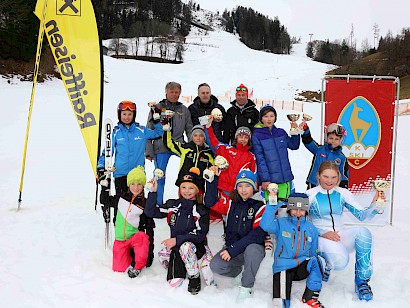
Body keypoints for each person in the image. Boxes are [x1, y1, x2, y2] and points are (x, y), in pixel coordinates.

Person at [306, 160, 385, 301]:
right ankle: (324, 264)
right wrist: (322, 232)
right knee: (341, 261)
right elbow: (302, 222)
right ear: (318, 176)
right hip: (321, 238)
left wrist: (375, 203)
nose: (329, 181)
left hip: (339, 235)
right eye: (325, 176)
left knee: (364, 233)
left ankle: (362, 282)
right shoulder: (310, 195)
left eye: (333, 177)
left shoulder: (343, 193)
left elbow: (362, 216)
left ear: (339, 177)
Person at [97, 100, 163, 267]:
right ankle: (122, 241)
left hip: (137, 178)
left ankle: (138, 244)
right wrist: (101, 167)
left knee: (137, 209)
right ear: (120, 115)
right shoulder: (115, 132)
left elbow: (158, 132)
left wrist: (156, 117)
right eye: (124, 114)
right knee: (121, 210)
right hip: (120, 175)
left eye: (130, 114)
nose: (127, 117)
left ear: (134, 115)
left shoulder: (141, 130)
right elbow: (107, 151)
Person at [144, 167, 214, 295]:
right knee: (174, 282)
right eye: (184, 187)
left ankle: (194, 276)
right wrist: (153, 193)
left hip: (195, 247)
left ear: (197, 190)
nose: (187, 191)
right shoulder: (173, 205)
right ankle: (180, 262)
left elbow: (200, 235)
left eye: (191, 188)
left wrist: (176, 240)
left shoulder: (200, 210)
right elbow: (150, 212)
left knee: (186, 247)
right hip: (176, 247)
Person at [204, 169, 267, 303]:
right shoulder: (231, 204)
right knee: (216, 265)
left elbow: (257, 235)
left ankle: (246, 286)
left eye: (247, 186)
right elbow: (210, 202)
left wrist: (232, 251)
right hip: (233, 249)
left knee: (253, 249)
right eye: (240, 186)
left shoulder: (260, 206)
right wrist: (212, 180)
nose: (243, 190)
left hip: (251, 249)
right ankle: (240, 271)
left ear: (254, 187)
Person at [260, 192, 325, 308]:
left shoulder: (311, 228)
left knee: (317, 261)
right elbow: (265, 225)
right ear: (289, 209)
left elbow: (313, 250)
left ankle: (310, 297)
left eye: (301, 209)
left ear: (306, 211)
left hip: (301, 265)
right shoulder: (281, 223)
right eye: (294, 208)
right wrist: (272, 205)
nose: (298, 212)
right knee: (281, 304)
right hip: (284, 266)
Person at [145, 81, 193, 205]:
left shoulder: (183, 109)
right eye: (171, 92)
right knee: (159, 175)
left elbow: (189, 128)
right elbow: (149, 129)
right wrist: (149, 151)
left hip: (178, 144)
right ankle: (157, 203)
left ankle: (186, 201)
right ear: (166, 92)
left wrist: (192, 146)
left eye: (177, 92)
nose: (174, 94)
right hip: (161, 145)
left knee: (187, 172)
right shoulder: (157, 108)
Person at [99, 167, 150, 279]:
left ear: (143, 185)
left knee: (142, 238)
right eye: (132, 184)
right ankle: (129, 255)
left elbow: (149, 225)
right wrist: (104, 188)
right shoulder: (121, 198)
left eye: (139, 184)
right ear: (128, 184)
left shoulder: (144, 203)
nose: (136, 188)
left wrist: (149, 255)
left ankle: (138, 266)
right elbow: (104, 201)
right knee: (118, 269)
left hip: (134, 238)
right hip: (120, 240)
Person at [204, 118, 256, 221]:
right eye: (240, 136)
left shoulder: (251, 156)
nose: (243, 139)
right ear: (236, 138)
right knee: (222, 211)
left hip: (240, 192)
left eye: (246, 137)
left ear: (249, 140)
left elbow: (254, 175)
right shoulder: (226, 149)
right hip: (223, 189)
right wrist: (208, 127)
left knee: (236, 215)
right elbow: (213, 142)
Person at [252, 105, 300, 200]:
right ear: (261, 118)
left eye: (271, 116)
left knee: (284, 209)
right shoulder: (257, 135)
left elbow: (294, 145)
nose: (269, 119)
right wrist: (265, 180)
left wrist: (295, 132)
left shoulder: (280, 132)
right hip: (270, 183)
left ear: (275, 117)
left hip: (285, 179)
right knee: (270, 209)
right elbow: (260, 160)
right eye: (266, 116)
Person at [165, 124, 214, 197]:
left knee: (198, 206)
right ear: (192, 137)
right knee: (183, 204)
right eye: (195, 135)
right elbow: (169, 144)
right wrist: (167, 130)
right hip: (184, 182)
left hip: (199, 184)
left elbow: (212, 169)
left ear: (204, 137)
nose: (198, 138)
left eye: (201, 135)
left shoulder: (208, 153)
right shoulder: (185, 148)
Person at [300, 122, 349, 189]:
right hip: (314, 184)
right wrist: (306, 130)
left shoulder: (342, 158)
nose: (333, 141)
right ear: (326, 138)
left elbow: (343, 174)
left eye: (336, 139)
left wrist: (343, 186)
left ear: (341, 140)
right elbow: (308, 141)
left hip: (331, 186)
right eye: (331, 138)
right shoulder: (319, 149)